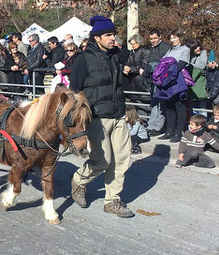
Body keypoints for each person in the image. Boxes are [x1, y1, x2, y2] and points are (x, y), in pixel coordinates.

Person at [69, 15, 134, 218]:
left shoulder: (115, 55)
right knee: (101, 161)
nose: (113, 38)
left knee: (122, 160)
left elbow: (129, 53)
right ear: (96, 38)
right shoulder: (83, 59)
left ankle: (111, 200)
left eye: (114, 34)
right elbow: (74, 92)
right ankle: (79, 181)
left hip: (118, 114)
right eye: (108, 35)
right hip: (96, 116)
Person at [157, 28, 191, 143]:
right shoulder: (170, 50)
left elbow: (181, 64)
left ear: (180, 37)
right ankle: (169, 131)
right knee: (169, 106)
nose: (172, 40)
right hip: (167, 80)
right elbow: (163, 62)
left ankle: (178, 132)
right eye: (171, 38)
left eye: (174, 37)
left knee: (179, 106)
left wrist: (170, 74)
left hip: (177, 80)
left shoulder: (185, 49)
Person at [145, 28, 171, 136]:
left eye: (155, 38)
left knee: (161, 105)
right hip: (153, 80)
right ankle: (151, 125)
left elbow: (165, 63)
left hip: (161, 80)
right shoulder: (152, 49)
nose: (153, 40)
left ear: (160, 36)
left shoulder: (165, 47)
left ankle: (157, 126)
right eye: (151, 39)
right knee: (154, 104)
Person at [185, 39, 208, 116]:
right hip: (191, 88)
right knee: (193, 110)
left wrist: (191, 66)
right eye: (195, 48)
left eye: (198, 46)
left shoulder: (203, 53)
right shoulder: (188, 56)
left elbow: (202, 65)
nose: (197, 49)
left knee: (202, 109)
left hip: (200, 86)